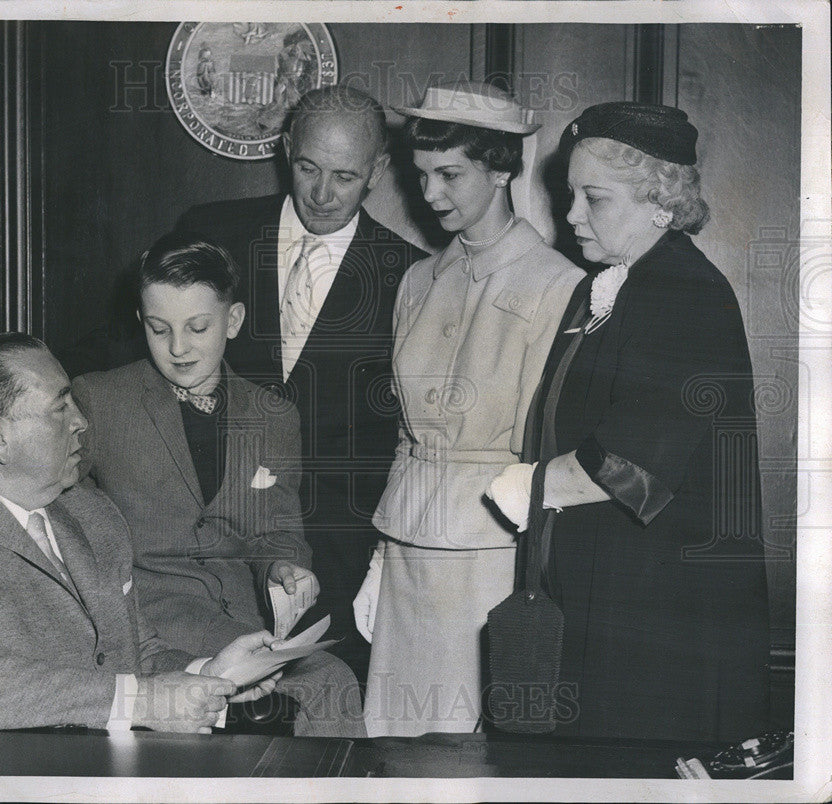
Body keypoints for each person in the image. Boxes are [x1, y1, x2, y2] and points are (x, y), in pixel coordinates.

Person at [487, 101, 770, 742]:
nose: (571, 215)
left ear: (660, 204)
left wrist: (527, 487)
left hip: (665, 604)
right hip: (612, 588)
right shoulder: (615, 283)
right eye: (570, 195)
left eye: (595, 198)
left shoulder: (683, 292)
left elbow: (633, 467)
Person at [0, 333, 283, 732]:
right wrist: (143, 702)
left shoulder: (90, 511)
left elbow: (135, 654)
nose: (81, 421)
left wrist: (206, 675)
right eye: (61, 407)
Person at [173, 85, 427, 682]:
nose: (321, 193)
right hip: (211, 545)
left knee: (325, 722)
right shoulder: (209, 233)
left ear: (378, 172)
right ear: (286, 148)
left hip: (337, 556)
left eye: (344, 176)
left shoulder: (411, 275)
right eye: (308, 167)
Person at [355, 82, 584, 736]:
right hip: (406, 543)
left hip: (494, 546)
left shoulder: (558, 284)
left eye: (449, 175)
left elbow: (546, 448)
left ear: (502, 168)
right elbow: (406, 433)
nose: (429, 195)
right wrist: (379, 557)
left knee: (467, 741)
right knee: (394, 738)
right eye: (421, 175)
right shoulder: (417, 280)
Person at [72, 239, 365, 737]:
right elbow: (55, 525)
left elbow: (279, 533)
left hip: (242, 624)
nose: (178, 348)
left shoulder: (273, 415)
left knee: (333, 681)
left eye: (198, 328)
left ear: (232, 321)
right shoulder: (98, 399)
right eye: (159, 329)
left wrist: (285, 568)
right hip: (149, 625)